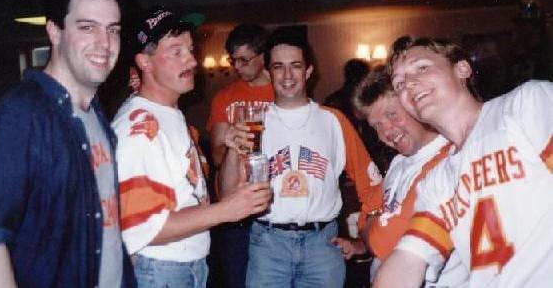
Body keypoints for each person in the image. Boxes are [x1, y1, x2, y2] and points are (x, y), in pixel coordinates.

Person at [0, 0, 136, 287]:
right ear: (55, 32)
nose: (105, 44)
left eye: (113, 30)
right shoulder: (20, 114)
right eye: (87, 27)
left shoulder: (98, 117)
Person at [373, 36, 553, 287]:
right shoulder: (437, 183)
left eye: (422, 67)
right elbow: (408, 260)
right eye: (399, 83)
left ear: (462, 68)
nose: (409, 84)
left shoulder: (523, 105)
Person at [112, 7, 272, 288]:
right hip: (161, 270)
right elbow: (144, 226)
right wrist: (226, 210)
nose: (192, 60)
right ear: (144, 62)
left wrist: (232, 148)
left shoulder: (170, 115)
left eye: (190, 49)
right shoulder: (138, 128)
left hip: (187, 265)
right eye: (176, 51)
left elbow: (190, 193)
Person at [220, 26, 384, 288]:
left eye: (295, 66)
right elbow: (227, 194)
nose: (287, 75)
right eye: (278, 67)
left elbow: (372, 187)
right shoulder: (254, 122)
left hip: (323, 246)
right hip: (268, 245)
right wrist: (230, 149)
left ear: (308, 72)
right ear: (268, 72)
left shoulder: (334, 121)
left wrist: (364, 241)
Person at [331, 71, 468, 286]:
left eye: (392, 115)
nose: (386, 131)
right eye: (376, 125)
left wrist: (373, 224)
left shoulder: (447, 160)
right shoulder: (399, 163)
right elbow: (368, 222)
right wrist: (362, 242)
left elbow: (383, 241)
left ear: (413, 105)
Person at [206, 23, 274, 288]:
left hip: (272, 203)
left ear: (263, 57)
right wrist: (233, 141)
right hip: (235, 204)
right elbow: (217, 155)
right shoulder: (225, 97)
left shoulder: (282, 92)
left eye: (244, 60)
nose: (236, 67)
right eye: (233, 60)